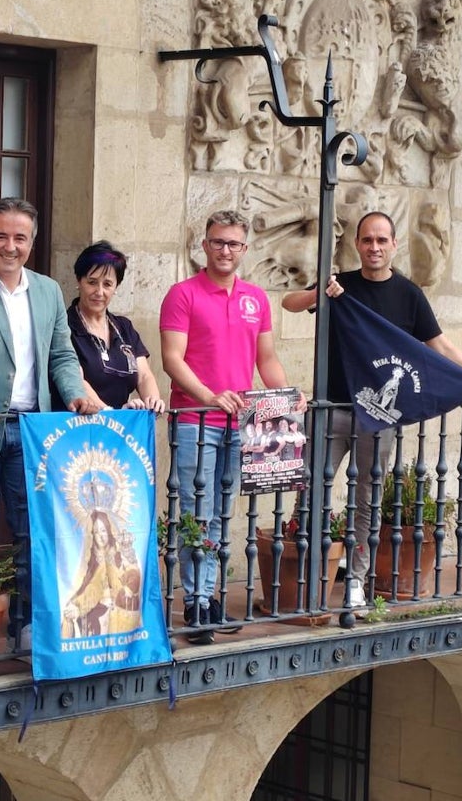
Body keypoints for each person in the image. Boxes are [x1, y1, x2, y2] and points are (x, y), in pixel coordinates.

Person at [282, 210, 462, 609]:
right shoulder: (340, 284)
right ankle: (309, 579)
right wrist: (320, 293)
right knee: (311, 492)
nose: (374, 247)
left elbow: (440, 346)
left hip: (378, 417)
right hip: (332, 407)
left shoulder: (409, 294)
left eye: (382, 240)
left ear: (394, 244)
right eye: (367, 240)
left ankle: (356, 582)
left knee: (367, 498)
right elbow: (289, 303)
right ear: (357, 244)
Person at [0, 197, 98, 647]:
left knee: (32, 530)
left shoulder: (46, 291)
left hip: (32, 429)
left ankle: (24, 623)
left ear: (32, 242)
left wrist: (76, 394)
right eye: (2, 236)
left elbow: (62, 355)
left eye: (20, 237)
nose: (11, 246)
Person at [160, 209, 298, 644]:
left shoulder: (256, 298)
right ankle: (196, 603)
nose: (225, 250)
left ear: (244, 249)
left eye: (234, 243)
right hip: (195, 421)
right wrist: (208, 396)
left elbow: (266, 360)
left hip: (243, 424)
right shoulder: (183, 294)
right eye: (218, 242)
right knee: (196, 515)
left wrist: (288, 395)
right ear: (204, 245)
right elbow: (171, 359)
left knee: (222, 513)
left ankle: (212, 596)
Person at [60, 241, 164, 412]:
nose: (99, 292)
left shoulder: (124, 327)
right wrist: (110, 413)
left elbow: (144, 376)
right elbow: (75, 379)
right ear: (79, 281)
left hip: (120, 429)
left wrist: (152, 403)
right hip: (78, 427)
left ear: (116, 287)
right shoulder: (64, 325)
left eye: (107, 284)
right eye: (92, 282)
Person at [60, 511, 142, 638]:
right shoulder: (90, 559)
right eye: (97, 532)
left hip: (122, 607)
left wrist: (126, 589)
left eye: (103, 530)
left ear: (109, 530)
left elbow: (134, 574)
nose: (101, 536)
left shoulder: (119, 553)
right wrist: (77, 606)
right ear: (92, 535)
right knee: (75, 613)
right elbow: (91, 586)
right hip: (97, 605)